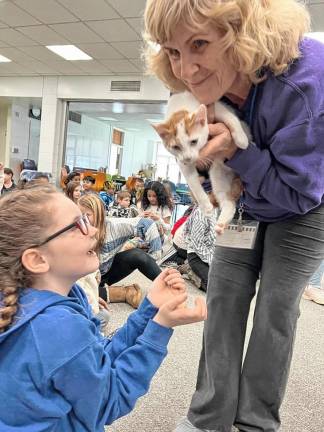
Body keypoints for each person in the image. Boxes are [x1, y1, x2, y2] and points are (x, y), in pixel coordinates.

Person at [144, 1, 324, 431]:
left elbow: (296, 194)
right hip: (244, 204)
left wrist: (238, 152)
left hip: (305, 205)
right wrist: (211, 178)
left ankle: (256, 424)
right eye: (172, 51)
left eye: (199, 44)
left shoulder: (306, 86)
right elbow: (198, 166)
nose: (186, 69)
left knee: (275, 311)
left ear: (242, 33)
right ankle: (207, 418)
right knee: (222, 301)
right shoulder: (197, 84)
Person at [0, 185, 207, 431]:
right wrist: (160, 327)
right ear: (37, 259)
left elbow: (97, 359)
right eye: (78, 225)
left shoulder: (40, 301)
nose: (95, 229)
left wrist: (149, 309)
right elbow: (110, 400)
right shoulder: (56, 327)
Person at [78, 194, 163, 304]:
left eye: (87, 215)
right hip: (82, 279)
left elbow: (147, 224)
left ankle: (167, 286)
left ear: (99, 214)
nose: (82, 219)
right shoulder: (75, 229)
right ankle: (122, 293)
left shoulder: (114, 226)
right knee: (72, 293)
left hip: (104, 274)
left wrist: (155, 255)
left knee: (136, 255)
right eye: (79, 215)